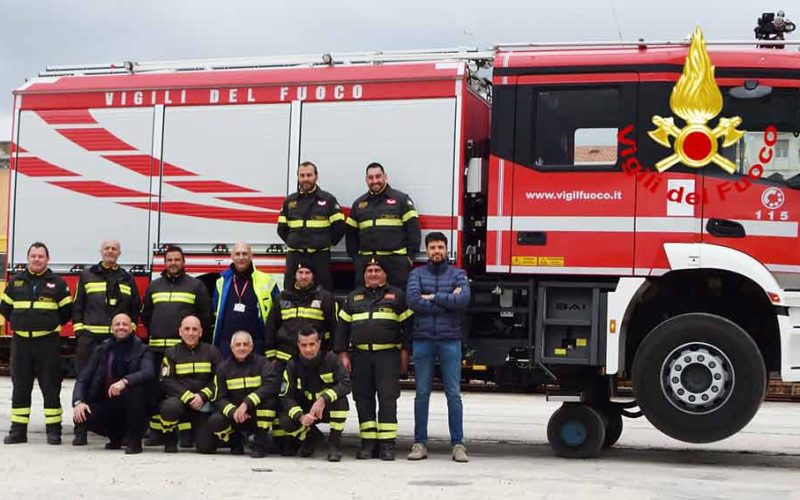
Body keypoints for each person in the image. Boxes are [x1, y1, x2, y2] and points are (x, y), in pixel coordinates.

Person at [334, 258, 412, 460]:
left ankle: (387, 445)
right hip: (360, 356)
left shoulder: (397, 296)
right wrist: (342, 354)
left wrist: (405, 353)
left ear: (385, 274)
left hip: (388, 355)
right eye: (369, 270)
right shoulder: (354, 297)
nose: (373, 273)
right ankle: (368, 444)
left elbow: (409, 328)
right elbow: (341, 328)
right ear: (364, 274)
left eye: (378, 270)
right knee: (363, 398)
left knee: (387, 398)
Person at [405, 232, 471, 463]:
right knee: (422, 394)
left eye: (441, 247)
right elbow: (413, 301)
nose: (437, 251)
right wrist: (446, 301)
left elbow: (463, 301)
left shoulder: (459, 274)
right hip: (422, 339)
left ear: (447, 249)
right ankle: (419, 443)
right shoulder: (416, 274)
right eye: (432, 247)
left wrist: (431, 296)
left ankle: (458, 445)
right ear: (427, 250)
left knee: (453, 394)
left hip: (450, 340)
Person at [1, 242, 72, 445]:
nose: (37, 259)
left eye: (41, 256)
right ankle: (18, 431)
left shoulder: (57, 283)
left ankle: (53, 431)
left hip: (47, 342)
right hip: (21, 342)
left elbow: (65, 313)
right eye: (33, 256)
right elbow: (5, 308)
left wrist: (46, 324)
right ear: (28, 258)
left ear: (47, 259)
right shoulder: (16, 282)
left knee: (50, 386)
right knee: (20, 386)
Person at [141, 245, 213, 444]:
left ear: (184, 262)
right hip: (156, 349)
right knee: (155, 391)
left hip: (183, 351)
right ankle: (157, 432)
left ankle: (184, 433)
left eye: (177, 260)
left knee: (182, 389)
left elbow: (205, 317)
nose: (173, 263)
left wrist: (191, 339)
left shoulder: (195, 286)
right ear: (164, 263)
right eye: (169, 260)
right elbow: (146, 315)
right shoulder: (154, 286)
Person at [264, 262, 336, 449]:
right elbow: (271, 328)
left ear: (313, 276)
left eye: (307, 272)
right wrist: (271, 356)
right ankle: (283, 441)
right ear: (294, 276)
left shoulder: (324, 297)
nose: (303, 276)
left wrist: (325, 356)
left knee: (303, 396)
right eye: (300, 273)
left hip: (309, 361)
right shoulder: (282, 298)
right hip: (283, 358)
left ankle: (306, 435)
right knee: (281, 397)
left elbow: (331, 330)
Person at [71, 313, 154, 454]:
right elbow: (83, 378)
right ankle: (116, 437)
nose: (121, 327)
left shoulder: (142, 349)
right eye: (117, 324)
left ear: (132, 327)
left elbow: (148, 372)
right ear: (111, 328)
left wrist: (125, 381)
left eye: (125, 324)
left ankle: (134, 441)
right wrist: (78, 402)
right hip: (110, 402)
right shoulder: (102, 349)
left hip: (135, 407)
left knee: (136, 390)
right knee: (83, 417)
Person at [198, 331, 279, 458]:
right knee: (215, 421)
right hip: (235, 416)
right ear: (231, 347)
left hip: (256, 414)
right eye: (238, 344)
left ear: (251, 347)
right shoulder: (223, 368)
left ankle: (259, 445)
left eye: (245, 344)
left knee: (269, 403)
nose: (242, 348)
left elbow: (271, 385)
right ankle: (235, 442)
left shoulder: (262, 363)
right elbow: (218, 398)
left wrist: (247, 402)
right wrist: (233, 412)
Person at [279, 326, 350, 462]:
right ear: (298, 345)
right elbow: (285, 396)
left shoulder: (331, 359)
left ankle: (334, 445)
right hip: (305, 410)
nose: (308, 349)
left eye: (312, 344)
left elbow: (346, 383)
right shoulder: (292, 364)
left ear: (319, 344)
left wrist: (323, 399)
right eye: (304, 345)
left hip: (326, 408)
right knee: (284, 420)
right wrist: (300, 417)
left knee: (341, 402)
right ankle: (311, 436)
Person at [345, 162, 420, 291]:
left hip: (396, 264)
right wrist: (356, 259)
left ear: (385, 177)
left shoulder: (401, 199)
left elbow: (413, 229)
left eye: (378, 176)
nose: (375, 181)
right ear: (366, 179)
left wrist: (410, 258)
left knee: (397, 302)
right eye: (371, 178)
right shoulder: (359, 204)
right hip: (367, 263)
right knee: (364, 304)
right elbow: (350, 234)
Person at [72, 240, 140, 374]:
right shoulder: (87, 275)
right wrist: (80, 332)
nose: (110, 251)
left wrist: (131, 329)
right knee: (87, 378)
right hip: (90, 339)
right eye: (107, 248)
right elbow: (77, 304)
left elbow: (135, 306)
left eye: (114, 249)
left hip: (118, 340)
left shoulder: (127, 278)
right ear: (101, 251)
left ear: (119, 253)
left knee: (114, 378)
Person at [277, 161, 345, 291]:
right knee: (290, 293)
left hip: (319, 257)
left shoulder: (328, 200)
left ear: (316, 176)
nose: (305, 179)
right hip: (295, 256)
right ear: (298, 177)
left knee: (323, 294)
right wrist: (295, 241)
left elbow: (340, 227)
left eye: (309, 175)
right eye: (302, 175)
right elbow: (282, 229)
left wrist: (325, 243)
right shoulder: (290, 201)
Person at [158, 315, 222, 453]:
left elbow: (219, 380)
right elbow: (166, 381)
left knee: (206, 448)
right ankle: (170, 440)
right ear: (180, 331)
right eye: (187, 329)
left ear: (201, 332)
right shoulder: (171, 353)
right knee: (169, 407)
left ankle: (196, 435)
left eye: (194, 329)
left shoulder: (212, 351)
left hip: (204, 404)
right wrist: (188, 396)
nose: (191, 333)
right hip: (181, 401)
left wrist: (203, 396)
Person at [212, 242, 280, 359]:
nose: (241, 257)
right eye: (237, 254)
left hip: (257, 343)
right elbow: (215, 311)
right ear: (232, 256)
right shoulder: (221, 282)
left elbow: (277, 314)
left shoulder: (267, 280)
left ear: (251, 256)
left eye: (245, 254)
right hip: (227, 344)